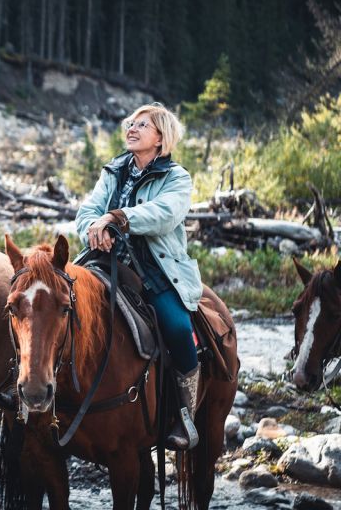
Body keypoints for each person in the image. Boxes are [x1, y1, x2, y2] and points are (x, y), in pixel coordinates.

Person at [74, 103, 203, 450]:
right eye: (131, 123)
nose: (131, 128)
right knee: (53, 301)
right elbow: (88, 209)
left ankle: (184, 414)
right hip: (102, 259)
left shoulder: (176, 177)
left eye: (142, 125)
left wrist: (116, 218)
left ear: (160, 138)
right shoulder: (113, 171)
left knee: (177, 327)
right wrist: (92, 227)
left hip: (153, 268)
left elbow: (164, 214)